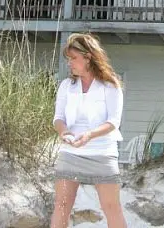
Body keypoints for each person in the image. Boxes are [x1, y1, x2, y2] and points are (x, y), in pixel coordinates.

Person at [51, 33, 126, 228]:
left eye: (73, 58)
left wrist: (89, 135)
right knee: (61, 205)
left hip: (102, 152)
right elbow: (58, 118)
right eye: (68, 59)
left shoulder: (111, 86)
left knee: (112, 207)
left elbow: (113, 122)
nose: (70, 63)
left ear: (88, 57)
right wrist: (64, 132)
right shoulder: (66, 86)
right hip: (70, 152)